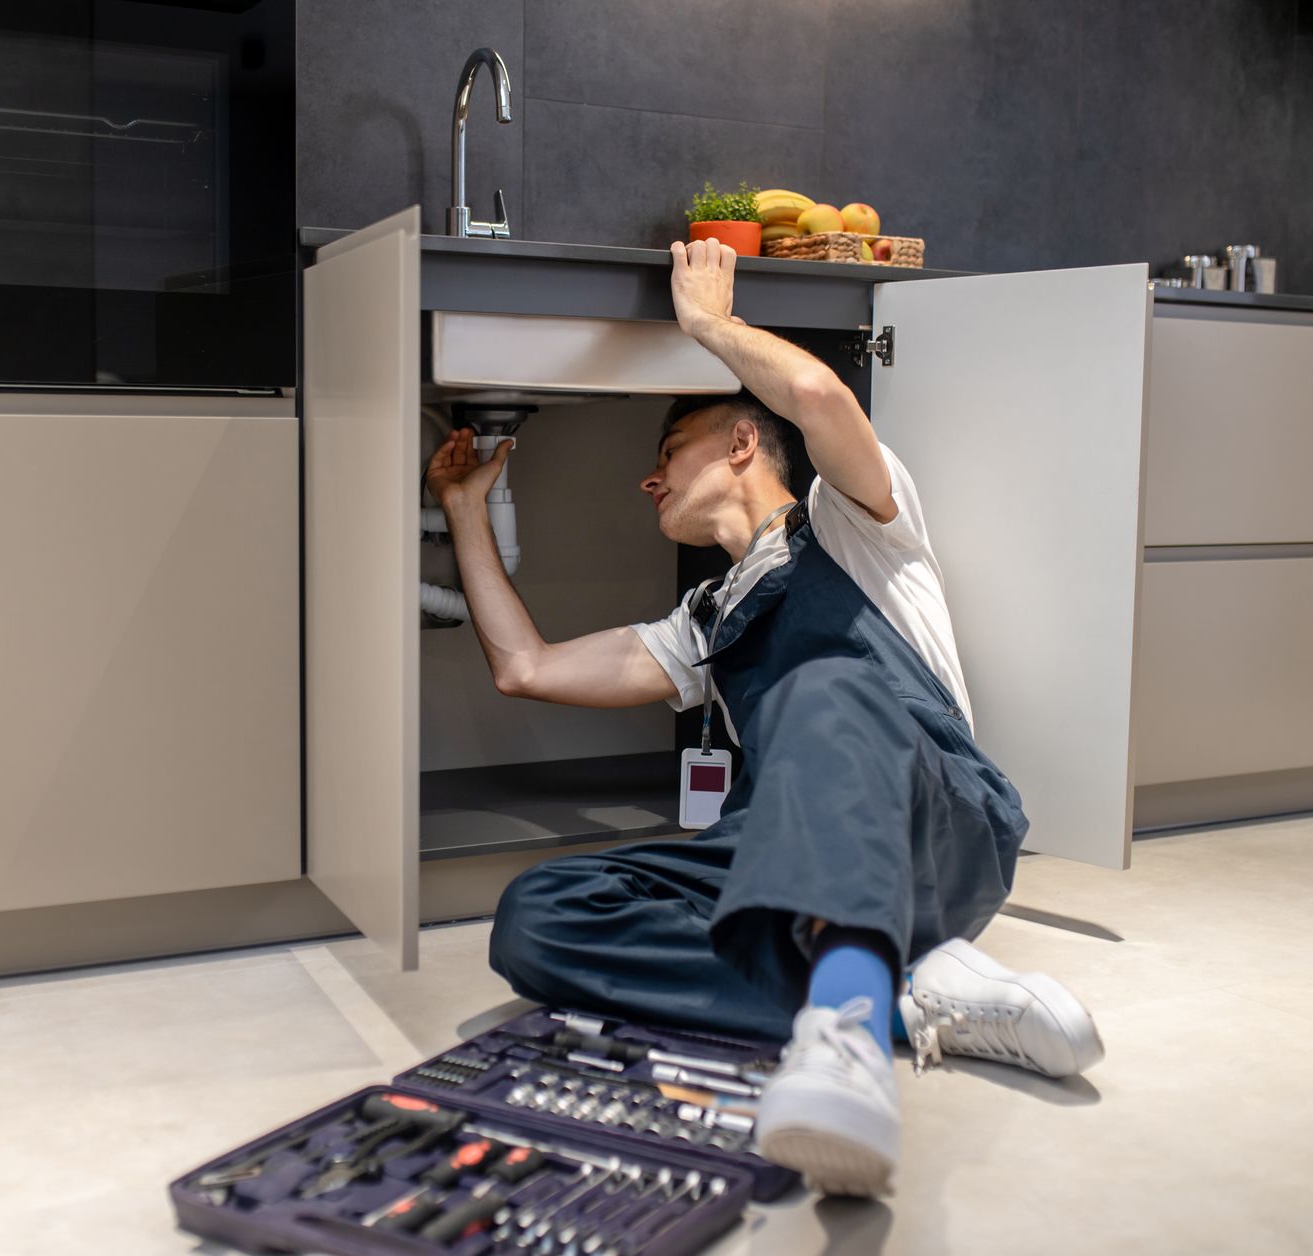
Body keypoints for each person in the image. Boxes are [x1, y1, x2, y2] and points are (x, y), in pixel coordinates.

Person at [422, 237, 1102, 1197]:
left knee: (823, 686)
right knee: (536, 918)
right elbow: (525, 668)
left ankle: (848, 1035)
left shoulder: (858, 522)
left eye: (668, 453)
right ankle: (910, 995)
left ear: (742, 440)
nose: (649, 480)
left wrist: (709, 324)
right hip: (788, 849)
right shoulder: (705, 621)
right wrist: (461, 507)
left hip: (936, 817)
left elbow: (820, 399)